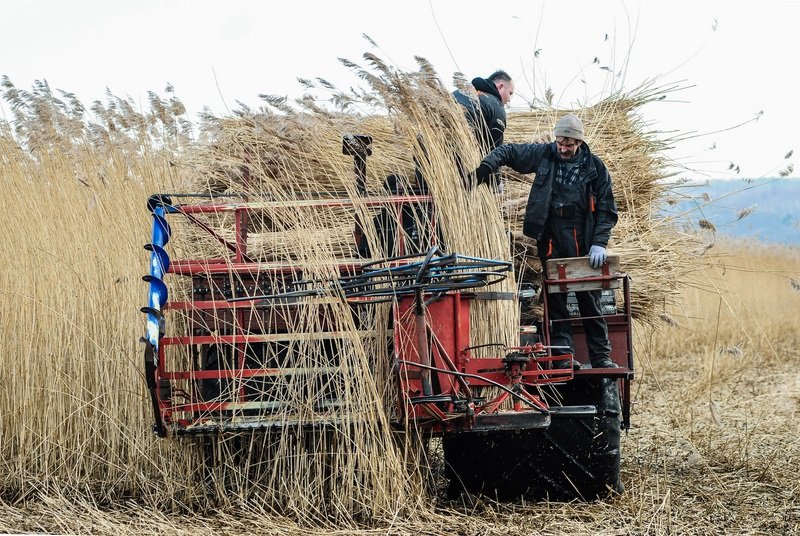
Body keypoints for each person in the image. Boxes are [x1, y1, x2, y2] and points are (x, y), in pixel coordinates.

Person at [473, 113, 619, 370]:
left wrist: (600, 242)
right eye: (560, 141)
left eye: (569, 144)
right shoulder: (544, 154)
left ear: (579, 143)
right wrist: (486, 167)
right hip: (551, 235)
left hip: (582, 237)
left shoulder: (595, 168)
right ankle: (563, 357)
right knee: (556, 297)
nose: (563, 148)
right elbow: (509, 152)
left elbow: (607, 208)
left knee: (589, 298)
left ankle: (601, 357)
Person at [453, 70, 515, 154]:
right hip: (459, 150)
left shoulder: (457, 92)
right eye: (510, 93)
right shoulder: (497, 106)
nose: (509, 99)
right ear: (501, 87)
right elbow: (494, 152)